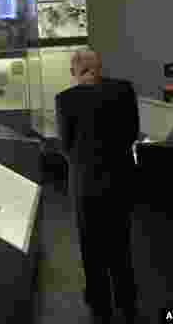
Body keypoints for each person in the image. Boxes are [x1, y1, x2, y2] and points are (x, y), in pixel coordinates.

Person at [55, 49, 138, 324]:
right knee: (121, 244)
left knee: (91, 247)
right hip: (120, 181)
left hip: (86, 184)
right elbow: (132, 133)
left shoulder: (65, 100)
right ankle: (126, 301)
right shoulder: (124, 90)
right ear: (98, 67)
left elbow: (65, 145)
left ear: (75, 71)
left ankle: (100, 304)